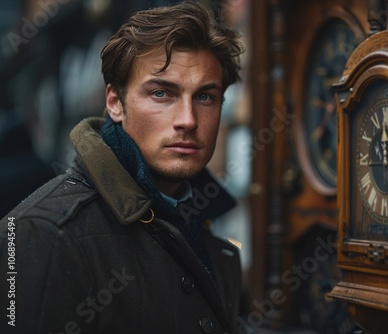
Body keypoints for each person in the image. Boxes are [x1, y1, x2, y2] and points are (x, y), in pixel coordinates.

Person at [0, 2, 245, 333]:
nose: (188, 120)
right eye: (161, 93)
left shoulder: (202, 225)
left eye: (205, 97)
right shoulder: (46, 232)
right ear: (115, 102)